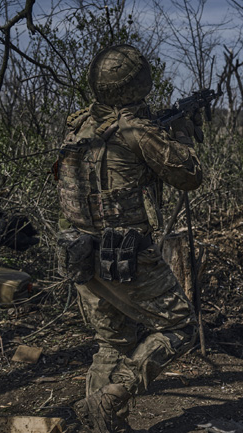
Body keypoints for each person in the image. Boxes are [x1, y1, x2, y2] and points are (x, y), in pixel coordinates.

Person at [54, 44, 203, 433]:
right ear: (140, 83)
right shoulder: (135, 130)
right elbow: (189, 175)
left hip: (80, 251)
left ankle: (103, 425)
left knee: (112, 342)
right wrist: (184, 131)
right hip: (126, 256)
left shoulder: (79, 125)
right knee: (180, 327)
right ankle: (112, 398)